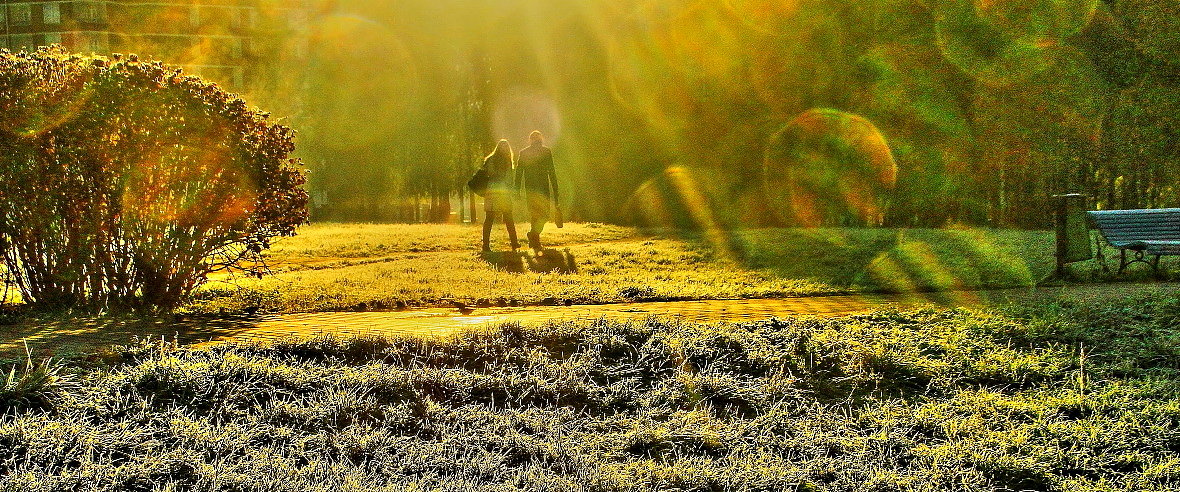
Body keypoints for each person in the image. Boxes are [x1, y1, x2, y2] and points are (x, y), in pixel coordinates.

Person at [514, 130, 559, 254]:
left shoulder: (524, 153)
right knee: (543, 215)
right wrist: (555, 191)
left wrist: (517, 191)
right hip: (543, 189)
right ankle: (535, 239)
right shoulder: (546, 152)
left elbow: (519, 174)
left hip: (530, 190)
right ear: (541, 139)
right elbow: (552, 173)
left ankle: (533, 236)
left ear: (530, 140)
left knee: (536, 215)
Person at [481, 139, 519, 252]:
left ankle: (486, 245)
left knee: (489, 219)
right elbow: (509, 179)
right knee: (508, 217)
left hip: (491, 190)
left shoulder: (490, 159)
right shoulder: (507, 161)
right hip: (503, 191)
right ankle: (514, 242)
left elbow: (486, 173)